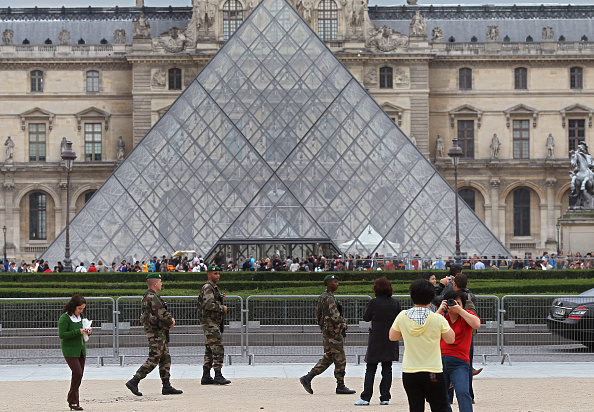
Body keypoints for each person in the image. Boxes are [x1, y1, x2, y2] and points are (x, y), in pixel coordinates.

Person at [389, 279, 454, 411]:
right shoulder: (438, 318)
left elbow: (392, 336)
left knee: (415, 407)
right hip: (433, 370)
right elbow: (451, 339)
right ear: (431, 297)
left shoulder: (402, 316)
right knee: (439, 407)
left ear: (412, 296)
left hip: (410, 370)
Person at [126, 274, 182, 396]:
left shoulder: (146, 296)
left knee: (165, 358)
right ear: (155, 283)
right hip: (156, 333)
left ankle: (166, 386)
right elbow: (161, 313)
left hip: (157, 331)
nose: (161, 284)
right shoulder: (153, 297)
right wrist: (171, 321)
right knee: (154, 358)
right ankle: (134, 380)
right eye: (160, 282)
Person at [300, 274, 356, 395]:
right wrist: (344, 322)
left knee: (330, 356)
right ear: (329, 283)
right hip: (334, 332)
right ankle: (340, 385)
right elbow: (335, 316)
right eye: (335, 282)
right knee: (340, 358)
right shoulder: (329, 298)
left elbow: (318, 315)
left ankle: (308, 377)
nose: (337, 284)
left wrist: (323, 328)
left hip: (328, 331)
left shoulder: (322, 297)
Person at [354, 277, 402, 406]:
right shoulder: (395, 303)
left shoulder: (374, 303)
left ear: (376, 288)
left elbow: (366, 317)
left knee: (370, 368)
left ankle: (366, 397)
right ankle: (385, 397)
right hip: (390, 338)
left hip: (376, 338)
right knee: (387, 369)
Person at [438, 290, 481, 412]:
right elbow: (427, 327)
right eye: (451, 302)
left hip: (460, 363)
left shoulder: (466, 315)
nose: (454, 305)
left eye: (458, 303)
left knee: (463, 392)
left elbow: (476, 324)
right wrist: (440, 309)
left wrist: (460, 311)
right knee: (440, 396)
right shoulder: (441, 317)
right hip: (440, 361)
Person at [198, 265, 231, 385]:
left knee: (209, 349)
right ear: (209, 274)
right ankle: (218, 374)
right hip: (210, 323)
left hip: (211, 322)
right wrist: (223, 308)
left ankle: (206, 375)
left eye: (218, 273)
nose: (218, 275)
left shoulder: (213, 287)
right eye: (215, 273)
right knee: (218, 348)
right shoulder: (208, 287)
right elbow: (209, 305)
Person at [58, 294, 91, 411]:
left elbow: (81, 332)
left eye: (83, 308)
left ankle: (74, 402)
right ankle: (72, 399)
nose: (81, 311)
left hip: (81, 349)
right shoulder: (65, 318)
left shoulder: (80, 317)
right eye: (79, 308)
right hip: (70, 350)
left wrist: (87, 331)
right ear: (73, 307)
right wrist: (78, 331)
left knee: (78, 375)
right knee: (77, 373)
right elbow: (62, 335)